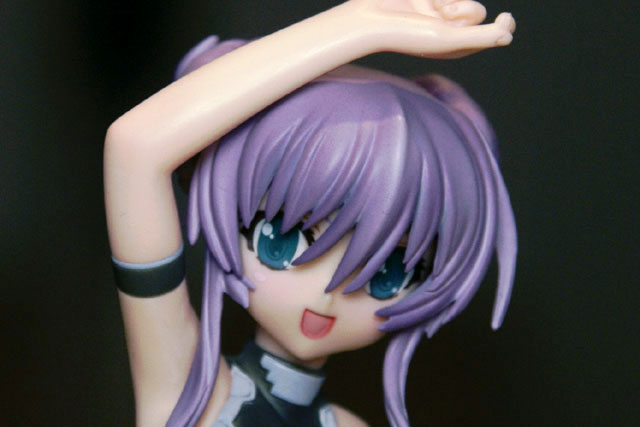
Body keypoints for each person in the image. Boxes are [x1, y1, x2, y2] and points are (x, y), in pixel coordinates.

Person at [104, 1, 517, 426]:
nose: (326, 294)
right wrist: (360, 24)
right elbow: (135, 147)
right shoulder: (190, 394)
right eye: (281, 240)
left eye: (387, 271)